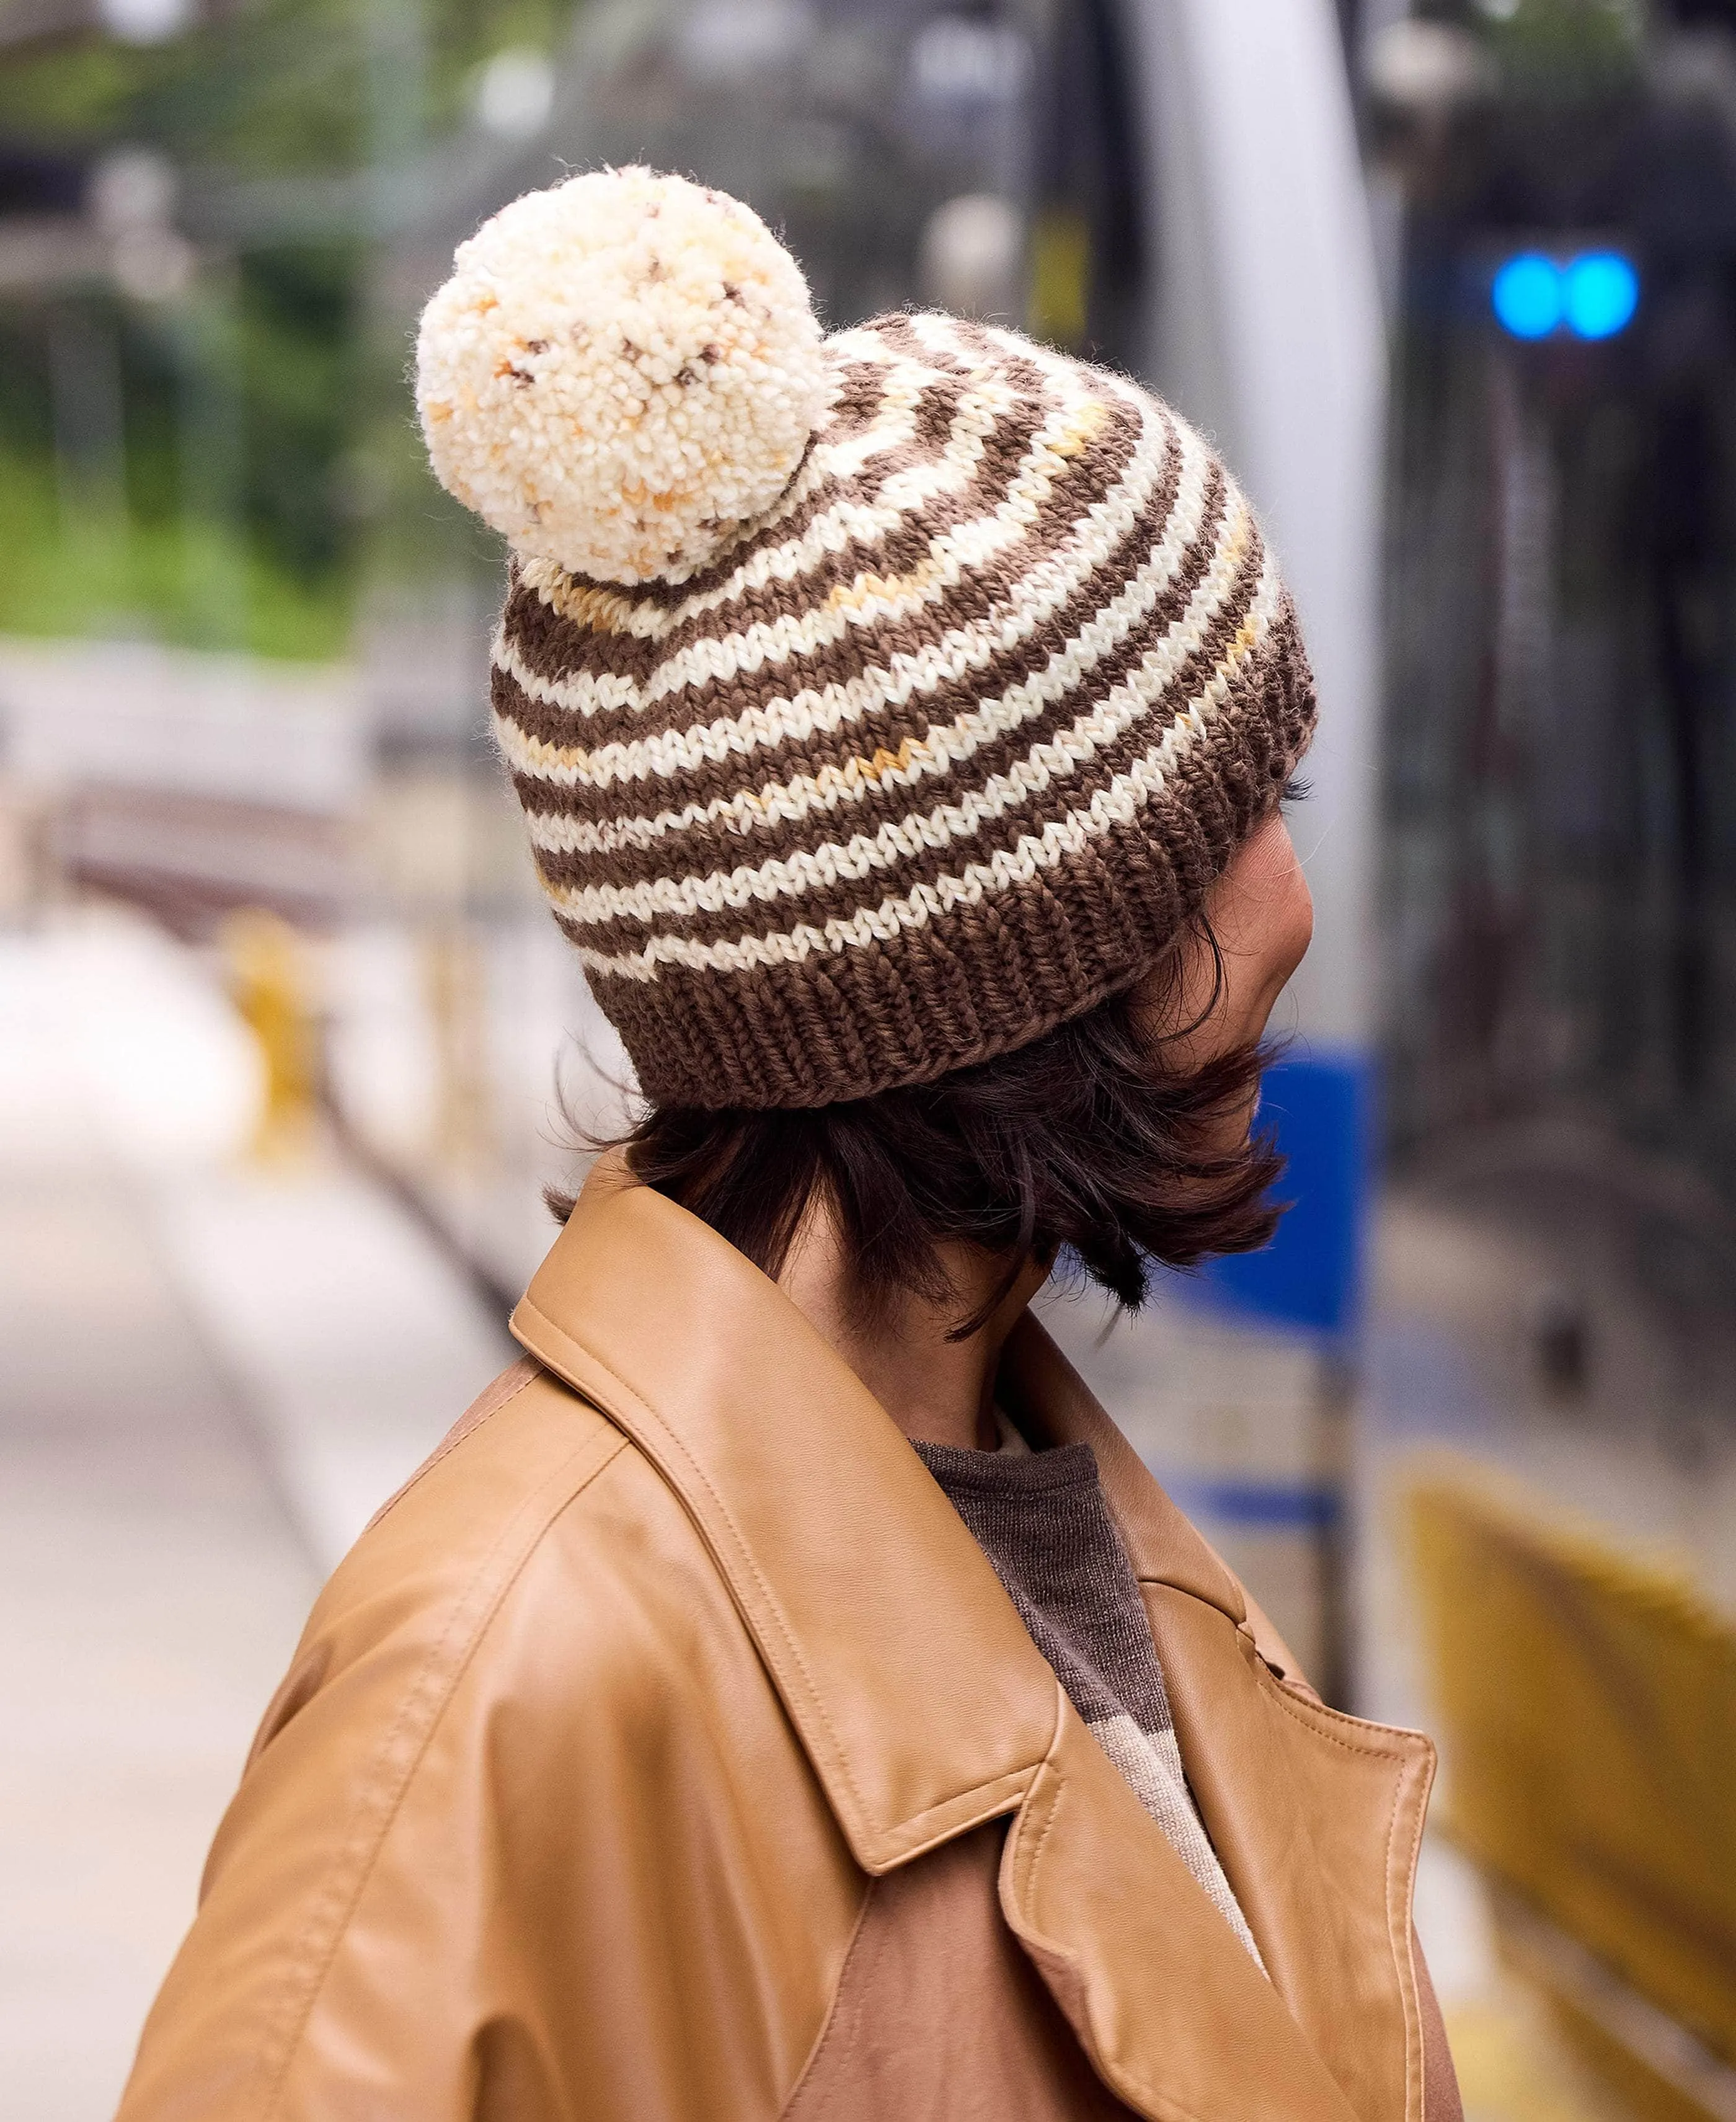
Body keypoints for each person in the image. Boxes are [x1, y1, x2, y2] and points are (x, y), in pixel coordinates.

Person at [117, 168, 1460, 2121]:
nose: (1292, 910)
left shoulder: (1065, 1524)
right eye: (1230, 825)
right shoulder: (496, 1692)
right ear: (981, 960)